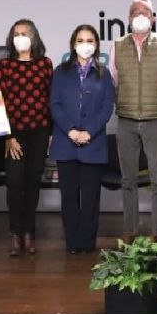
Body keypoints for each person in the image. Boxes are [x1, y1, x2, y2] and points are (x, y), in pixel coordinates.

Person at [108, 0, 157, 244]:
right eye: (135, 12)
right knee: (128, 179)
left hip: (155, 119)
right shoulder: (118, 45)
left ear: (153, 18)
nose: (139, 15)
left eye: (145, 12)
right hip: (126, 119)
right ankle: (130, 229)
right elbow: (113, 80)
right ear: (128, 18)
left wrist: (156, 104)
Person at [49, 24, 114, 254]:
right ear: (73, 44)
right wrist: (71, 131)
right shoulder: (60, 71)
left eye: (89, 40)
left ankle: (87, 242)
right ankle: (72, 242)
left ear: (96, 45)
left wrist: (88, 132)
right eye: (80, 40)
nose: (84, 44)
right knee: (69, 197)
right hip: (65, 142)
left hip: (93, 143)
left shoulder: (104, 74)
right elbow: (54, 104)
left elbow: (107, 108)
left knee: (90, 198)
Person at [0, 19, 53, 256]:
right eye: (16, 33)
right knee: (15, 183)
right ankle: (15, 234)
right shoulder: (4, 65)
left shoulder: (45, 64)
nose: (21, 37)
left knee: (32, 182)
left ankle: (29, 233)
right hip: (13, 134)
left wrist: (51, 132)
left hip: (39, 132)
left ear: (34, 37)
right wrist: (7, 136)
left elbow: (52, 99)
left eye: (25, 33)